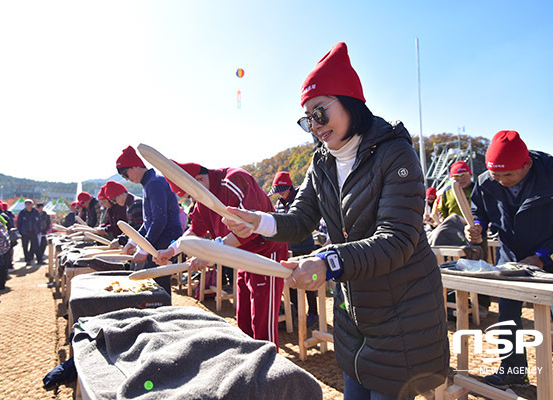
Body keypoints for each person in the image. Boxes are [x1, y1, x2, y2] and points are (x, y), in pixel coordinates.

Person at [223, 42, 449, 399]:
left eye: (319, 112)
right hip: (353, 310)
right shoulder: (322, 163)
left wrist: (328, 262)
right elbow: (300, 220)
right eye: (306, 119)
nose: (314, 126)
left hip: (403, 311)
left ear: (350, 101)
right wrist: (258, 221)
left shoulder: (395, 153)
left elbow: (397, 240)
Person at [155, 161, 289, 350]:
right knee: (243, 319)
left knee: (262, 323)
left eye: (191, 195)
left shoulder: (235, 180)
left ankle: (269, 369)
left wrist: (211, 253)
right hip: (242, 257)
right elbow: (195, 231)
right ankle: (249, 363)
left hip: (266, 254)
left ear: (199, 180)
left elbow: (246, 228)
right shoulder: (203, 198)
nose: (193, 201)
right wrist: (171, 250)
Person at [465, 130, 553, 389]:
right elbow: (477, 209)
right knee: (508, 316)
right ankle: (513, 372)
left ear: (526, 165)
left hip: (548, 249)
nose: (501, 181)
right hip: (512, 254)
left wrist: (541, 257)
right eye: (495, 175)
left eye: (508, 175)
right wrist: (476, 226)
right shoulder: (485, 181)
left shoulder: (550, 173)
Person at [115, 145, 183, 299]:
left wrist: (144, 250)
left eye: (126, 174)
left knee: (159, 286)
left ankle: (164, 315)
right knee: (155, 285)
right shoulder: (149, 183)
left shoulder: (155, 183)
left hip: (165, 239)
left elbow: (160, 220)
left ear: (136, 166)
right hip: (159, 239)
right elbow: (148, 223)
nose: (127, 178)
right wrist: (133, 242)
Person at [268, 171, 319, 328]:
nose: (280, 195)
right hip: (289, 248)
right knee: (291, 282)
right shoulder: (278, 203)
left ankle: (313, 313)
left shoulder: (300, 198)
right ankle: (296, 311)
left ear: (289, 188)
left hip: (304, 246)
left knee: (308, 281)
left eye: (282, 191)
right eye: (278, 192)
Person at [16, 199, 41, 264]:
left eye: (29, 204)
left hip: (34, 231)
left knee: (34, 246)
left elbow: (39, 222)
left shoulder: (36, 212)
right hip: (24, 232)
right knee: (25, 246)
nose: (28, 205)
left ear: (32, 205)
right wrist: (19, 232)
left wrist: (39, 230)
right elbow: (19, 223)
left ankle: (31, 256)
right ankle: (27, 260)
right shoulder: (22, 213)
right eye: (26, 204)